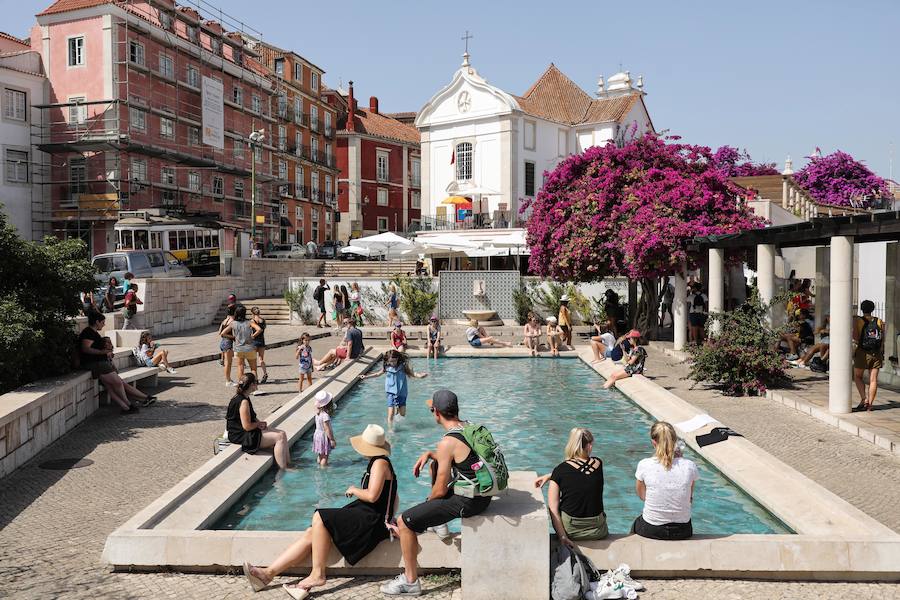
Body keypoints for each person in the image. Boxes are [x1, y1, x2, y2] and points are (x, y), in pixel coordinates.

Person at [243, 424, 397, 597]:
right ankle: (267, 574)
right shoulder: (377, 462)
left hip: (371, 519)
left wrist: (354, 490)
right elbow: (393, 496)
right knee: (312, 532)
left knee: (320, 516)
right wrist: (390, 514)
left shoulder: (380, 464)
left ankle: (318, 575)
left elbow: (372, 496)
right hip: (366, 513)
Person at [381, 390, 492, 596]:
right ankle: (438, 523)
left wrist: (425, 506)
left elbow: (440, 490)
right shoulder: (469, 427)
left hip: (466, 501)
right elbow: (463, 459)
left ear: (436, 413)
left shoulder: (447, 442)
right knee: (435, 468)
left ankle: (410, 581)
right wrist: (432, 455)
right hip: (482, 495)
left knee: (405, 521)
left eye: (432, 409)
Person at [533, 428, 608, 545]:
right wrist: (551, 475)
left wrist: (562, 536)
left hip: (571, 532)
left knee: (554, 506)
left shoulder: (560, 470)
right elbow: (582, 475)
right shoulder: (598, 463)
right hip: (598, 531)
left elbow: (553, 509)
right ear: (589, 446)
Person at [632, 422, 698, 540]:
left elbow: (643, 496)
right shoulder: (690, 466)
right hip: (683, 530)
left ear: (653, 442)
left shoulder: (644, 464)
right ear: (675, 441)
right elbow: (689, 498)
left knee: (635, 524)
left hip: (652, 528)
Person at [77, 313, 155, 413]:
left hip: (99, 363)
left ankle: (128, 406)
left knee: (112, 386)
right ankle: (129, 404)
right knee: (118, 383)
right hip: (97, 364)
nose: (104, 325)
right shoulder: (89, 332)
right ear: (97, 322)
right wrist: (102, 352)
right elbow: (85, 348)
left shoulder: (93, 332)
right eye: (102, 322)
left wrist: (106, 354)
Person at [225, 373, 289, 469]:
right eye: (256, 382)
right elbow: (246, 426)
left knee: (282, 433)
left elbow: (252, 418)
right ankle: (283, 468)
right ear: (251, 385)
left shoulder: (244, 397)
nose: (257, 384)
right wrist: (258, 424)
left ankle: (289, 463)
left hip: (245, 432)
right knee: (279, 437)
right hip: (240, 435)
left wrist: (260, 423)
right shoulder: (243, 401)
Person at [359, 349, 428, 425]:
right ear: (388, 360)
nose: (392, 363)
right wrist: (366, 377)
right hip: (391, 392)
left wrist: (420, 376)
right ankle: (390, 430)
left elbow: (412, 373)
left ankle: (397, 414)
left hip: (402, 392)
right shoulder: (387, 367)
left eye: (394, 361)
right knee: (391, 413)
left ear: (398, 359)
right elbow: (378, 374)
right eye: (390, 361)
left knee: (402, 415)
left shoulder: (403, 366)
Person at [853, 299, 885, 411]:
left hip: (862, 352)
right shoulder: (879, 321)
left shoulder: (858, 321)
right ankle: (870, 404)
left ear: (862, 309)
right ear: (873, 309)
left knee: (857, 376)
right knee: (873, 379)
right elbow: (882, 339)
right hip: (876, 353)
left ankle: (864, 399)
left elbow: (856, 338)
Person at [221, 305, 263, 385]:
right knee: (253, 368)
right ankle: (254, 387)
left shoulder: (233, 323)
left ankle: (241, 385)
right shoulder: (249, 322)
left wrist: (233, 337)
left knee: (240, 367)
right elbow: (259, 329)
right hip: (250, 347)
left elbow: (223, 333)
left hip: (239, 348)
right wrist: (253, 336)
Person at [312, 391, 337, 467]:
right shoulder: (325, 416)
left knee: (320, 454)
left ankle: (319, 464)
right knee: (325, 456)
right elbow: (327, 429)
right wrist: (332, 439)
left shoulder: (318, 413)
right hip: (323, 437)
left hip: (317, 435)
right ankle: (323, 468)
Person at [219, 304, 237, 387]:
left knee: (227, 363)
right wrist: (233, 337)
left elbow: (220, 333)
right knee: (228, 363)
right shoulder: (232, 322)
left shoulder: (224, 320)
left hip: (222, 342)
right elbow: (223, 333)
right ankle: (228, 380)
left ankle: (228, 379)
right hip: (228, 343)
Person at [250, 306, 269, 383]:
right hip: (262, 341)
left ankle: (255, 378)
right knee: (261, 359)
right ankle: (265, 373)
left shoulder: (252, 321)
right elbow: (263, 329)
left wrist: (253, 335)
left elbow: (255, 330)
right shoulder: (263, 320)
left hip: (254, 342)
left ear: (252, 313)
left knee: (253, 361)